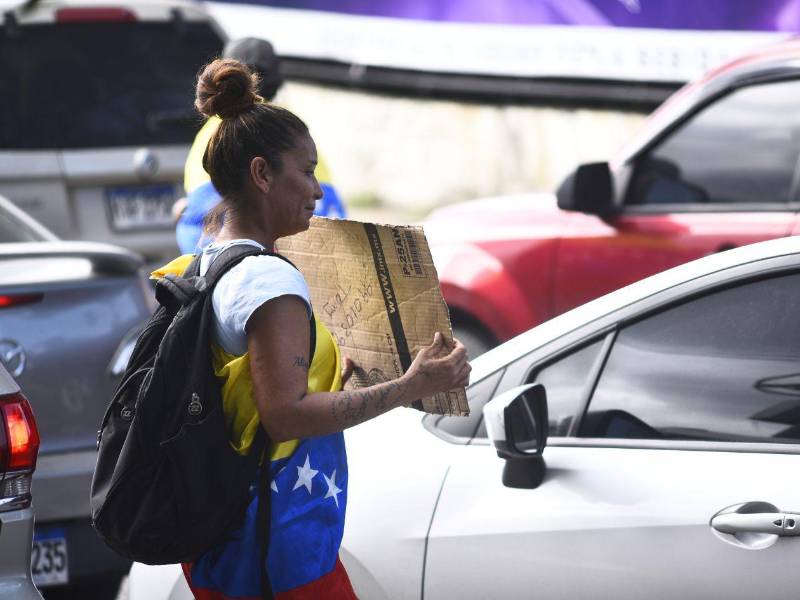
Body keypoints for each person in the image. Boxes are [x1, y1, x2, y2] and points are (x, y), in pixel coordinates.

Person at [158, 58, 470, 599]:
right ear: (261, 174)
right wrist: (411, 387)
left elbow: (251, 400)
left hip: (229, 549)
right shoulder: (270, 283)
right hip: (278, 551)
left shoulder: (210, 260)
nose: (319, 191)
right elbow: (283, 417)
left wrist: (342, 381)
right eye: (307, 171)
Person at [176, 37, 345, 254]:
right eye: (307, 172)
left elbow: (196, 218)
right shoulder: (292, 131)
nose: (316, 191)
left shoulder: (211, 135)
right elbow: (333, 213)